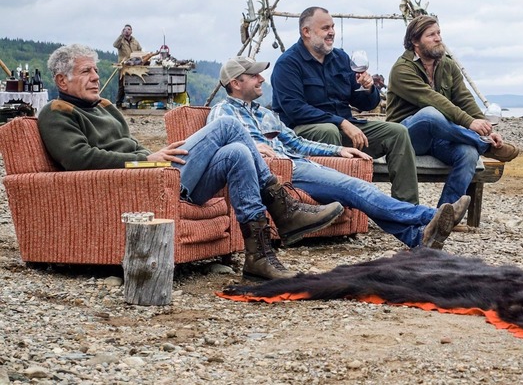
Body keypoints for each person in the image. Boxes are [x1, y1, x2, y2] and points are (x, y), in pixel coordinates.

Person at [38, 44, 345, 281]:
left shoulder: (105, 108)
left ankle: (259, 257)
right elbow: (79, 159)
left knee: (237, 153)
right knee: (228, 127)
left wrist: (153, 153)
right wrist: (147, 160)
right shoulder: (57, 112)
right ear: (61, 80)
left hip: (157, 176)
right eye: (85, 72)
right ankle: (284, 208)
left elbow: (130, 146)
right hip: (141, 182)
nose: (95, 77)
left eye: (94, 70)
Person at [212, 56, 471, 250]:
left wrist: (339, 149)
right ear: (236, 83)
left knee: (357, 191)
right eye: (254, 75)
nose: (261, 79)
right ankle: (431, 215)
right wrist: (251, 146)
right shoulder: (223, 112)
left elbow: (298, 143)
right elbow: (217, 148)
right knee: (356, 189)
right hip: (278, 172)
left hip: (298, 164)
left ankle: (418, 239)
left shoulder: (265, 113)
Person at [271, 6, 419, 205]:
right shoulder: (287, 64)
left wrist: (368, 89)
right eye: (325, 28)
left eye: (332, 27)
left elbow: (366, 103)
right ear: (306, 32)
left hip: (344, 126)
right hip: (303, 134)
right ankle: (336, 205)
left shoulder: (340, 58)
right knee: (328, 131)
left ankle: (407, 208)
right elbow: (295, 109)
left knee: (397, 133)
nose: (331, 32)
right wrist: (340, 122)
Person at [386, 15, 520, 207]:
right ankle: (485, 146)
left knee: (468, 153)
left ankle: (446, 214)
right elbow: (433, 100)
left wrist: (487, 130)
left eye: (439, 33)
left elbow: (464, 99)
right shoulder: (402, 69)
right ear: (415, 41)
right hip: (406, 137)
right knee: (431, 113)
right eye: (431, 35)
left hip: (439, 136)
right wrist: (471, 126)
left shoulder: (447, 65)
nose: (438, 38)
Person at [112, 24, 143, 108]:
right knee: (122, 85)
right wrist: (121, 35)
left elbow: (140, 50)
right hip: (123, 66)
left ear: (131, 31)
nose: (127, 31)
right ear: (123, 31)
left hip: (133, 66)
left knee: (134, 84)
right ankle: (119, 103)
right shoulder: (120, 41)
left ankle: (133, 102)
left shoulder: (135, 41)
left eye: (129, 29)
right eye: (125, 29)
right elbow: (114, 45)